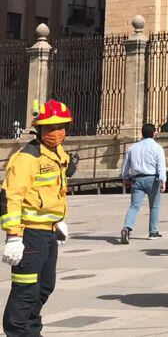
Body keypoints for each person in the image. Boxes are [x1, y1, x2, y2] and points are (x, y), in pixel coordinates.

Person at [2, 99, 78, 335]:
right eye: (50, 128)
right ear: (39, 130)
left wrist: (57, 221)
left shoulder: (58, 155)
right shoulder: (27, 158)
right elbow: (10, 198)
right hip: (29, 233)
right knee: (26, 289)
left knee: (45, 286)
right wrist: (14, 236)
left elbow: (54, 191)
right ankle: (16, 330)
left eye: (60, 127)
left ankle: (31, 331)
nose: (56, 133)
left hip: (47, 232)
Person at [119, 123, 168, 243]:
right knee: (154, 206)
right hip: (152, 179)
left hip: (136, 180)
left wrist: (125, 178)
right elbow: (161, 165)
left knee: (134, 206)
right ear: (154, 133)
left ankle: (127, 227)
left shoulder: (133, 147)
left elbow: (126, 165)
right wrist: (163, 180)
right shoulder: (157, 147)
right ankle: (153, 231)